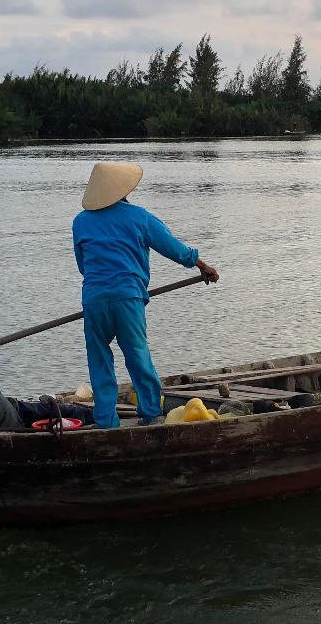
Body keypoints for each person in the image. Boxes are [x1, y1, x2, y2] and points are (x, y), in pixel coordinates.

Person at [73, 161, 219, 427]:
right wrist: (201, 265)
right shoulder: (139, 217)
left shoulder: (81, 222)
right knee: (137, 355)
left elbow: (84, 265)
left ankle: (106, 422)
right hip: (128, 298)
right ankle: (151, 413)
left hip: (94, 300)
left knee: (99, 361)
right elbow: (173, 248)